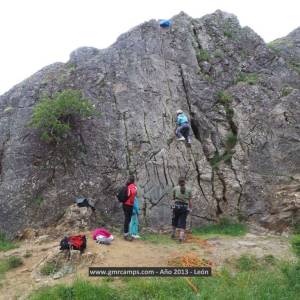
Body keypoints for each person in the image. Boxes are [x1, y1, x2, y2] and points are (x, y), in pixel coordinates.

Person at [171, 177, 192, 242]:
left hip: (176, 206)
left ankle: (173, 234)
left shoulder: (175, 188)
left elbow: (173, 199)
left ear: (178, 182)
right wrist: (190, 208)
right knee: (183, 221)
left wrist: (172, 206)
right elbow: (190, 200)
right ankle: (181, 237)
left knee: (175, 220)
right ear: (184, 182)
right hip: (184, 207)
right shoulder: (189, 189)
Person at [123, 175, 137, 241]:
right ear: (133, 180)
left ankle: (126, 234)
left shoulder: (127, 186)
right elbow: (132, 195)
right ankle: (126, 234)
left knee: (127, 219)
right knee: (128, 220)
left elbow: (127, 195)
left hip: (125, 205)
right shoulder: (133, 187)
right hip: (129, 205)